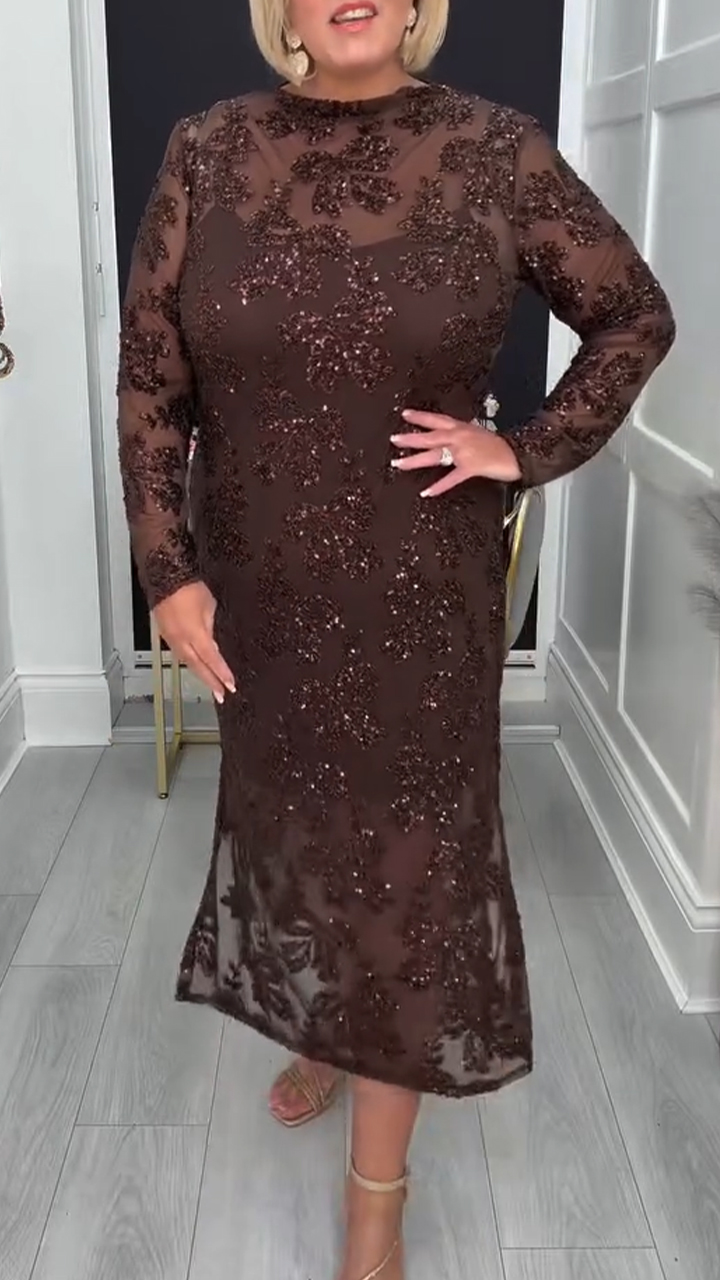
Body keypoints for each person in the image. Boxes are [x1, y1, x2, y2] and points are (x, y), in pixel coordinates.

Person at [117, 2, 675, 1276]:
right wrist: (168, 570)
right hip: (258, 591)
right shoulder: (206, 150)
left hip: (422, 591)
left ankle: (378, 1199)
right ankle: (331, 1028)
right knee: (300, 828)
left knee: (410, 877)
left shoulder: (495, 149)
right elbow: (152, 376)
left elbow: (633, 315)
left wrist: (522, 447)